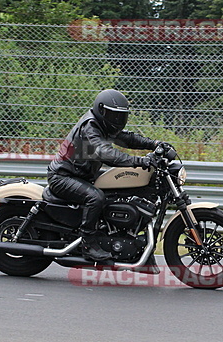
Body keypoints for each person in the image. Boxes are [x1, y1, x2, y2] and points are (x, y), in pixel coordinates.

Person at [47, 89, 161, 262]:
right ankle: (88, 245)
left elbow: (127, 138)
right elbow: (104, 152)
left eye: (120, 116)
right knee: (96, 197)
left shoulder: (104, 125)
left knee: (119, 187)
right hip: (63, 176)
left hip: (82, 175)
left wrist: (155, 144)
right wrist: (139, 161)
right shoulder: (90, 126)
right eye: (113, 115)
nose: (117, 120)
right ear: (101, 110)